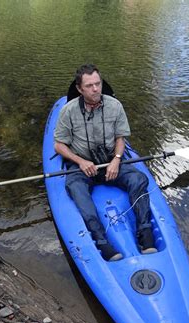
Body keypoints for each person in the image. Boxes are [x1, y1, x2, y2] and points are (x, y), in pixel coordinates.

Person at [54, 64, 157, 261]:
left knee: (138, 179)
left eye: (98, 84)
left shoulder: (115, 106)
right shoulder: (68, 111)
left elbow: (120, 138)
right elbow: (59, 146)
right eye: (90, 85)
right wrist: (80, 161)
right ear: (79, 89)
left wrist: (117, 160)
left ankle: (145, 233)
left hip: (110, 161)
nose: (95, 89)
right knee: (76, 188)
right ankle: (101, 240)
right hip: (82, 166)